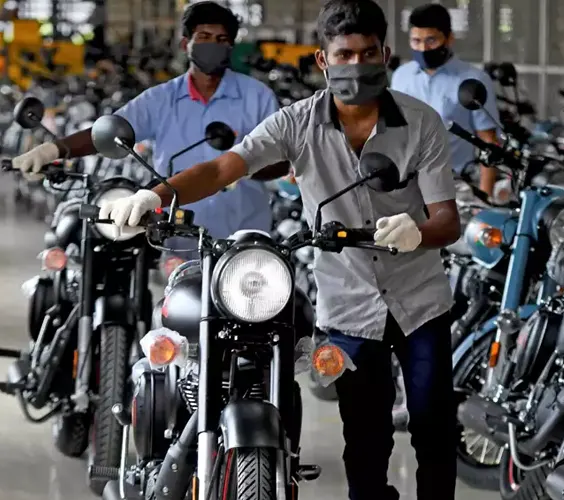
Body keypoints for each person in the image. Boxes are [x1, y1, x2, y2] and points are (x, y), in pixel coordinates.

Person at [97, 1, 460, 499]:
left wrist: (418, 230)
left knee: (435, 432)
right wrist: (156, 195)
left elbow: (447, 218)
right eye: (345, 54)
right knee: (366, 442)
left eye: (369, 53)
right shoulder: (297, 123)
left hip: (421, 303)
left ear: (386, 54)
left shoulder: (422, 123)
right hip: (349, 307)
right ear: (323, 60)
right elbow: (226, 166)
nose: (358, 65)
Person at [12, 1, 287, 244]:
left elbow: (279, 158)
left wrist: (245, 165)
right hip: (177, 232)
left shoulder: (257, 96)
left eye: (221, 39)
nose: (213, 45)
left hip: (243, 234)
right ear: (185, 44)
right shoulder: (160, 99)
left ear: (230, 46)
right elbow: (110, 130)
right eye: (204, 37)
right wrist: (52, 150)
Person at [391, 3, 500, 196]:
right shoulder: (401, 76)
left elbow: (489, 143)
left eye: (431, 40)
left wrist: (485, 201)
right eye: (416, 41)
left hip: (456, 189)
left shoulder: (473, 80)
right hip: (407, 187)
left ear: (449, 38)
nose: (423, 48)